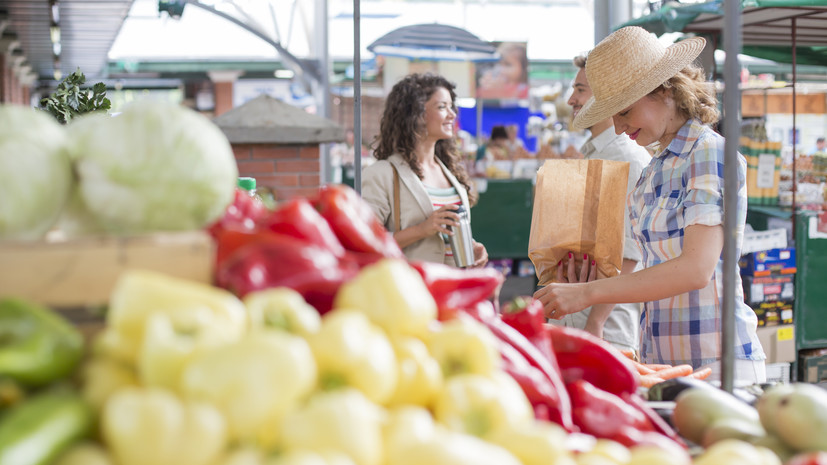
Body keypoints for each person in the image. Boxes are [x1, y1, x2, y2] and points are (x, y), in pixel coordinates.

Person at [534, 26, 766, 385]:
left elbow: (696, 269)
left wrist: (588, 293)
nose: (618, 125)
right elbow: (648, 265)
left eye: (624, 110)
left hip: (717, 363)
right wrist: (584, 276)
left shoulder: (708, 153)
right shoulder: (655, 167)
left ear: (664, 90)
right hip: (662, 361)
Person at [545, 54, 653, 352]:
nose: (571, 99)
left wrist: (596, 322)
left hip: (602, 330)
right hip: (574, 317)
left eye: (580, 90)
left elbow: (628, 257)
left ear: (607, 95)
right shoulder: (594, 154)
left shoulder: (625, 159)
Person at [362, 73, 489, 268]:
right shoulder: (381, 174)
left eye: (451, 106)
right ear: (415, 114)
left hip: (455, 288)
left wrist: (472, 247)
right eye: (442, 107)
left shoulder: (449, 170)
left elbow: (446, 237)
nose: (452, 114)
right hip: (412, 289)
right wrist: (422, 229)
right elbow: (366, 241)